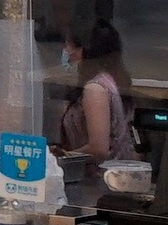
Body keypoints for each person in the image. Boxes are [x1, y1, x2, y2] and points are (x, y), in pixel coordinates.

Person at [58, 19, 135, 170]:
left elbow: (98, 149)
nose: (66, 50)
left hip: (97, 181)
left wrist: (62, 158)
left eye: (68, 45)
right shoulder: (109, 80)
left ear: (82, 50)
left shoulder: (95, 89)